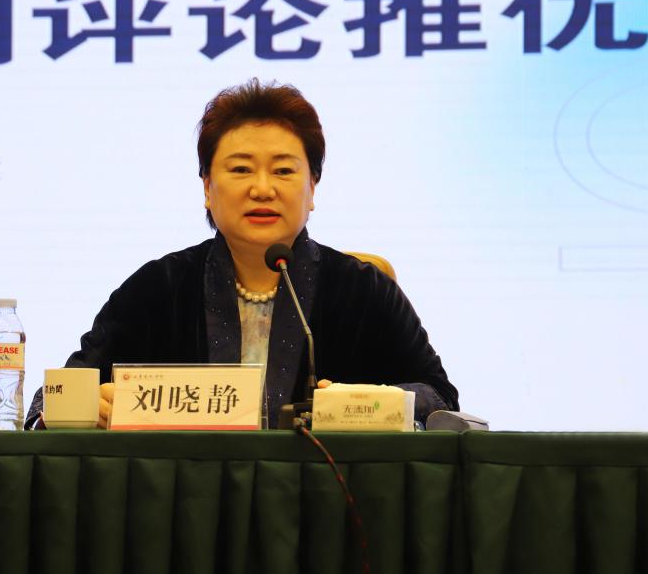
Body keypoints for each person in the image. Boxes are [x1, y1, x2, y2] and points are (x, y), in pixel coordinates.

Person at [27, 79, 458, 429]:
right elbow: (55, 397)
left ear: (312, 189)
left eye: (284, 170)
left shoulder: (362, 290)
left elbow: (440, 399)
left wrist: (371, 401)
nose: (262, 188)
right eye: (240, 169)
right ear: (207, 188)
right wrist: (88, 406)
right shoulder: (158, 288)